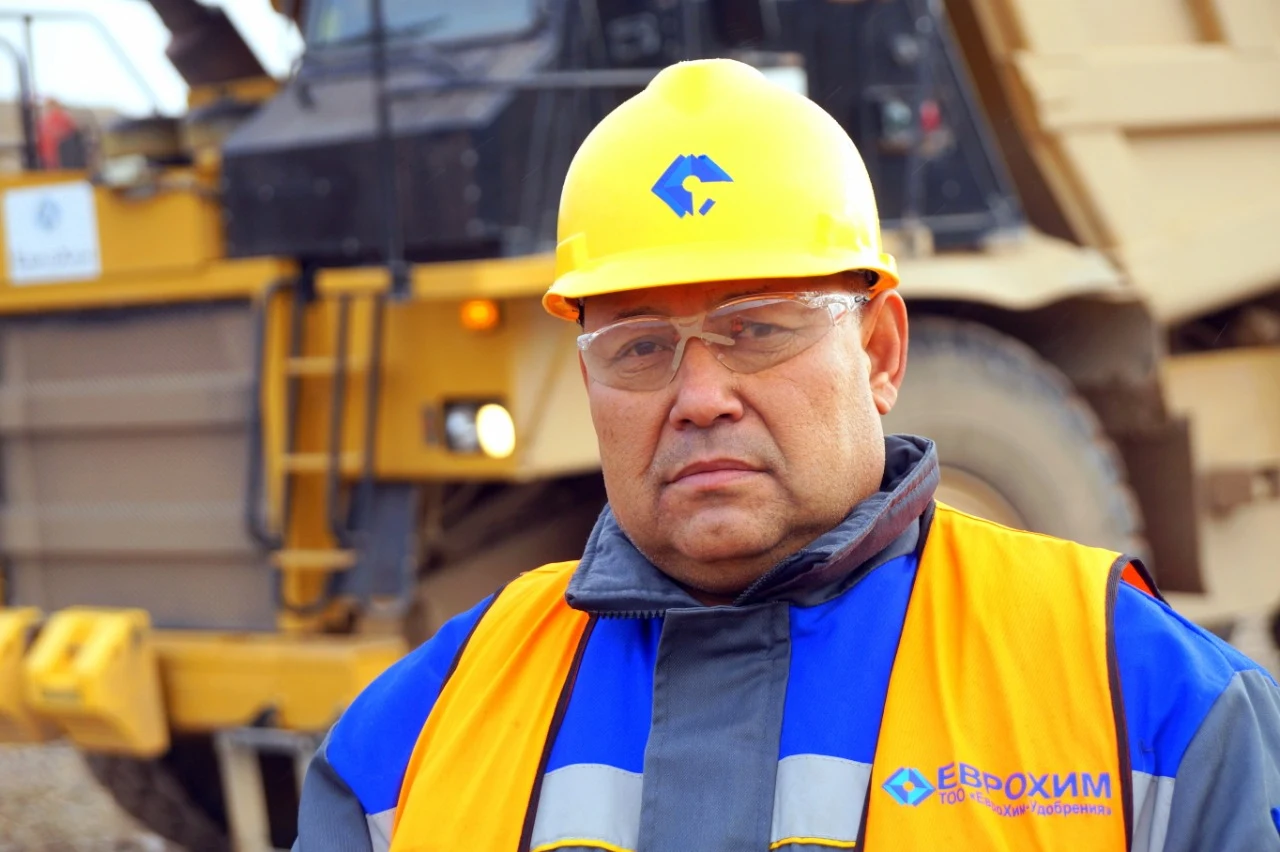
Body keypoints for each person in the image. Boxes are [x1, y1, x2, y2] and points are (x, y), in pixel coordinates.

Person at [293, 58, 1280, 852]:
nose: (699, 398)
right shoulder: (409, 740)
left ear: (879, 352)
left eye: (757, 330)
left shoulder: (1154, 707)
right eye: (639, 348)